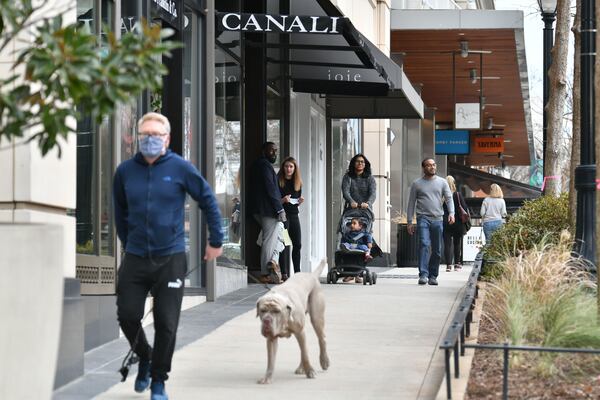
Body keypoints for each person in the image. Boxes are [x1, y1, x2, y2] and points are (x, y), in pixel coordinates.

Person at [113, 112, 223, 400]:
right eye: (145, 135)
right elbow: (120, 215)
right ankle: (146, 357)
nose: (150, 140)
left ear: (167, 139)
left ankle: (159, 380)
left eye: (156, 135)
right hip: (135, 257)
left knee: (166, 322)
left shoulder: (180, 168)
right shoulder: (125, 171)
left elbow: (208, 199)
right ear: (138, 138)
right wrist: (130, 244)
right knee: (127, 315)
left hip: (170, 257)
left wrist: (216, 240)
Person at [407, 158, 455, 286]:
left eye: (433, 165)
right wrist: (409, 221)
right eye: (428, 165)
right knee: (424, 243)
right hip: (423, 218)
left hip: (438, 219)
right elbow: (411, 202)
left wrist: (451, 213)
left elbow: (449, 199)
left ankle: (433, 276)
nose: (432, 167)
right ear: (423, 168)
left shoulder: (442, 182)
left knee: (437, 249)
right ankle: (423, 274)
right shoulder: (417, 183)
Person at [248, 142, 287, 284]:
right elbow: (270, 189)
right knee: (269, 240)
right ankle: (265, 273)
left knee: (279, 232)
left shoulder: (259, 165)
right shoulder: (264, 165)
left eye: (276, 151)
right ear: (264, 151)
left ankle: (273, 261)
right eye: (272, 151)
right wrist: (280, 208)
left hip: (261, 209)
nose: (274, 153)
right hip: (267, 209)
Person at [341, 153, 376, 283]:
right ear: (353, 164)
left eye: (362, 162)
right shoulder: (348, 177)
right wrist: (351, 201)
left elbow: (373, 194)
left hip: (365, 211)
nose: (360, 163)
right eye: (357, 161)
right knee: (348, 241)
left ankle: (359, 273)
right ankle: (349, 272)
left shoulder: (370, 178)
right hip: (351, 210)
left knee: (363, 244)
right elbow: (345, 191)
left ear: (365, 164)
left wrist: (368, 203)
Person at [277, 157, 304, 280]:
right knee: (286, 243)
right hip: (283, 217)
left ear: (294, 168)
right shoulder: (278, 181)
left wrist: (299, 202)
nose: (288, 169)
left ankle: (297, 273)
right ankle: (284, 273)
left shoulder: (298, 183)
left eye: (291, 166)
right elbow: (274, 201)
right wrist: (283, 200)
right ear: (283, 168)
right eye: (286, 166)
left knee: (297, 244)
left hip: (294, 216)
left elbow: (295, 202)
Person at [443, 175, 469, 272]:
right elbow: (464, 207)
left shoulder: (442, 196)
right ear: (453, 183)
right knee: (457, 243)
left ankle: (448, 265)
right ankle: (457, 264)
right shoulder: (457, 194)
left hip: (445, 221)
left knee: (447, 243)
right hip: (457, 222)